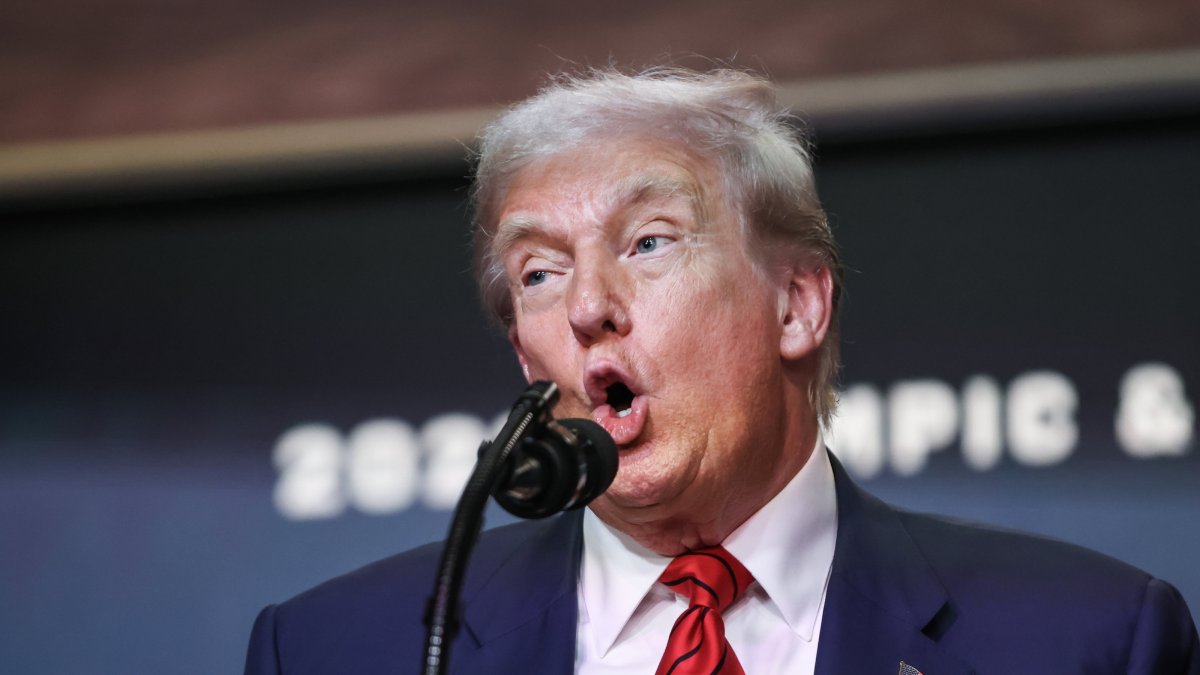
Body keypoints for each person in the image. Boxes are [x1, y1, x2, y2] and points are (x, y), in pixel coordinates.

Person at [244, 68, 1199, 674]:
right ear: (521, 352)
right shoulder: (342, 648)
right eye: (539, 271)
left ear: (796, 304)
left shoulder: (1088, 640)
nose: (587, 306)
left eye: (650, 241)